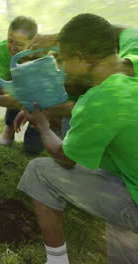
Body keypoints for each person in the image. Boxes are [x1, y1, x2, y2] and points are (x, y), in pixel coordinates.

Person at [17, 13, 138, 264]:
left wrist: (42, 124)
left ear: (81, 58)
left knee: (39, 171)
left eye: (61, 60)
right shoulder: (134, 53)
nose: (59, 69)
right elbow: (123, 30)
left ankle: (57, 261)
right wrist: (58, 37)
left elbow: (65, 158)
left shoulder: (101, 100)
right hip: (130, 178)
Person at [0, 16, 45, 154]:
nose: (12, 47)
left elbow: (40, 93)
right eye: (10, 40)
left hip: (41, 98)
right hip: (17, 87)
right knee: (13, 87)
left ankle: (43, 125)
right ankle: (10, 127)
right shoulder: (2, 50)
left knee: (32, 148)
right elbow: (4, 80)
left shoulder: (43, 56)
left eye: (19, 44)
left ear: (33, 42)